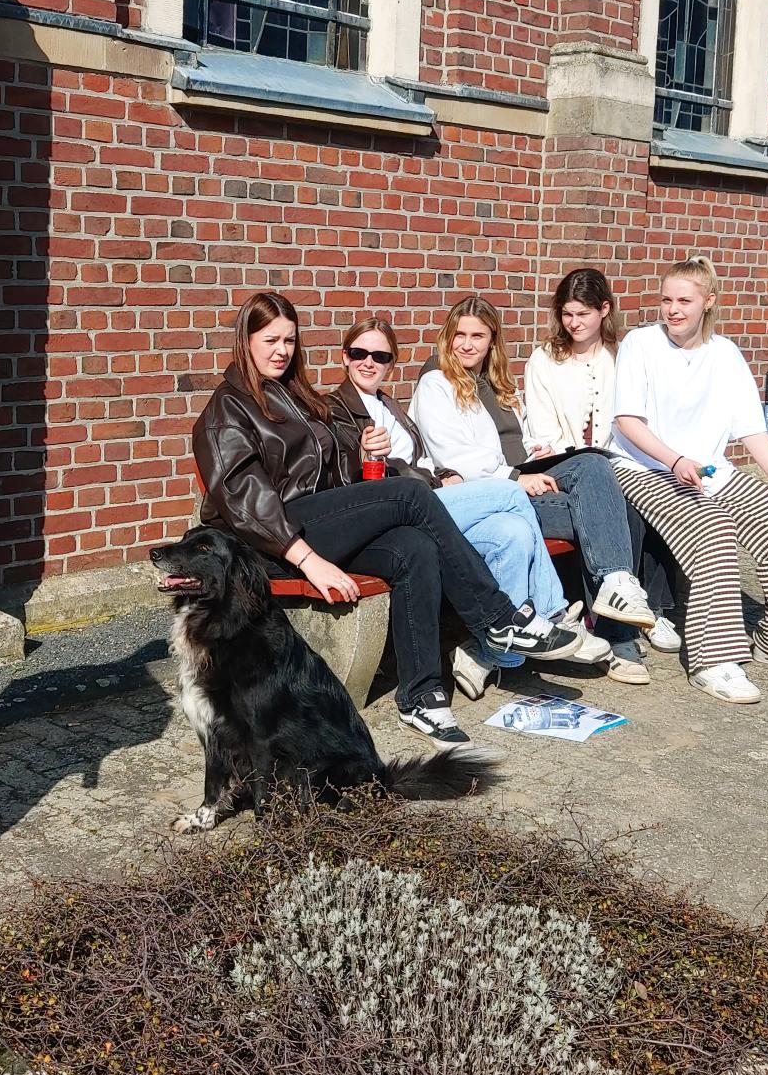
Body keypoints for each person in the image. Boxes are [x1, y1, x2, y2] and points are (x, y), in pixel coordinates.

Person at [192, 293, 588, 747]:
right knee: (410, 493)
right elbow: (246, 503)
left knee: (412, 548)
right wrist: (308, 561)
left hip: (316, 521)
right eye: (270, 340)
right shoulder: (226, 410)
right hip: (272, 542)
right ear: (246, 340)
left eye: (289, 340)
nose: (281, 350)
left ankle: (421, 695)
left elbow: (325, 466)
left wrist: (359, 454)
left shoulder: (291, 393)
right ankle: (499, 616)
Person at [329, 315, 611, 701]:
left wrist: (445, 473)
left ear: (392, 362)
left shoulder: (389, 407)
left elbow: (424, 458)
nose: (369, 362)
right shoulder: (334, 409)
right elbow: (339, 474)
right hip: (397, 512)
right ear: (344, 356)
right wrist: (361, 455)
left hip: (430, 497)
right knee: (511, 494)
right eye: (360, 353)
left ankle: (496, 651)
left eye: (381, 356)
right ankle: (549, 613)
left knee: (511, 532)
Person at [611, 257, 768, 705]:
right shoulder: (640, 344)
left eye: (684, 301)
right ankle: (714, 662)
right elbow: (627, 421)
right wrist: (674, 461)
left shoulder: (725, 353)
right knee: (712, 531)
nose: (673, 310)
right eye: (666, 300)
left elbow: (751, 428)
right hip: (645, 469)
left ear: (708, 303)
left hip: (710, 471)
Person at [410, 295, 657, 683]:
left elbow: (515, 438)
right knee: (609, 514)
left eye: (479, 335)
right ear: (447, 336)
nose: (468, 344)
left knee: (595, 465)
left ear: (492, 341)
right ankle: (591, 622)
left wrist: (536, 451)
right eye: (460, 334)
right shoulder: (436, 381)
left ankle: (613, 592)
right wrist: (514, 477)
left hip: (520, 477)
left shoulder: (495, 383)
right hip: (487, 495)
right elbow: (453, 454)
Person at [523, 267, 684, 663]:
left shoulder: (624, 355)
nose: (574, 323)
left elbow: (636, 418)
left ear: (604, 310)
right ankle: (620, 628)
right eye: (567, 314)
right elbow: (541, 432)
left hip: (619, 461)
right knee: (606, 482)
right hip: (561, 463)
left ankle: (648, 610)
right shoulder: (544, 359)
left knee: (650, 491)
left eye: (583, 314)